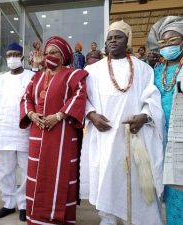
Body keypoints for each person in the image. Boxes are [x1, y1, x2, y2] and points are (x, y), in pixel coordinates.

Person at [80, 20, 165, 225]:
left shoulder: (143, 69)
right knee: (105, 177)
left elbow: (152, 98)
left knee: (135, 180)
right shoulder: (94, 70)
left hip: (133, 135)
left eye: (117, 37)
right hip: (104, 136)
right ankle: (107, 219)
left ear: (128, 40)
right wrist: (91, 115)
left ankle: (135, 219)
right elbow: (83, 98)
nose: (112, 41)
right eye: (109, 38)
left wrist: (144, 116)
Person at [20, 36, 88, 224]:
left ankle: (59, 219)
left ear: (64, 54)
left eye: (53, 52)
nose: (49, 56)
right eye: (47, 52)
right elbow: (26, 98)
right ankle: (36, 218)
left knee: (61, 174)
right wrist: (32, 115)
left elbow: (79, 97)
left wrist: (58, 116)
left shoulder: (74, 75)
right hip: (37, 134)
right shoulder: (37, 76)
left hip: (62, 134)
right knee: (35, 175)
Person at [0, 42, 34, 222]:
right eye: (9, 55)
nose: (12, 58)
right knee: (4, 169)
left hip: (25, 128)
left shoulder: (32, 76)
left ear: (22, 57)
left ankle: (24, 204)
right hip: (3, 127)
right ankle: (8, 203)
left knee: (26, 168)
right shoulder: (2, 78)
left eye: (16, 54)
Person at [147, 16, 183, 225]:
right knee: (170, 191)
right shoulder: (156, 71)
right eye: (163, 42)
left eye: (173, 40)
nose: (168, 46)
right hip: (163, 139)